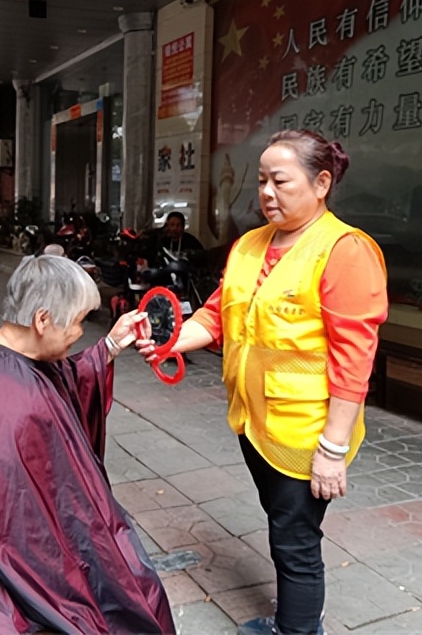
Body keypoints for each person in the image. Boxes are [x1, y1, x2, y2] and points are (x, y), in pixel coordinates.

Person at [137, 130, 388, 635]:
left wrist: (333, 450)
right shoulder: (251, 244)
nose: (267, 193)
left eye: (280, 181)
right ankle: (296, 620)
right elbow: (216, 317)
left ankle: (297, 629)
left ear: (321, 183)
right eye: (261, 181)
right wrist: (167, 342)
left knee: (294, 539)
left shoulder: (344, 250)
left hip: (306, 432)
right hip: (253, 422)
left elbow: (354, 360)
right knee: (284, 526)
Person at [0, 254, 176, 634]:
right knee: (132, 590)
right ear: (42, 319)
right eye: (77, 323)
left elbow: (60, 379)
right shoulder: (12, 404)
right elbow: (15, 528)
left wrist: (110, 345)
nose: (80, 333)